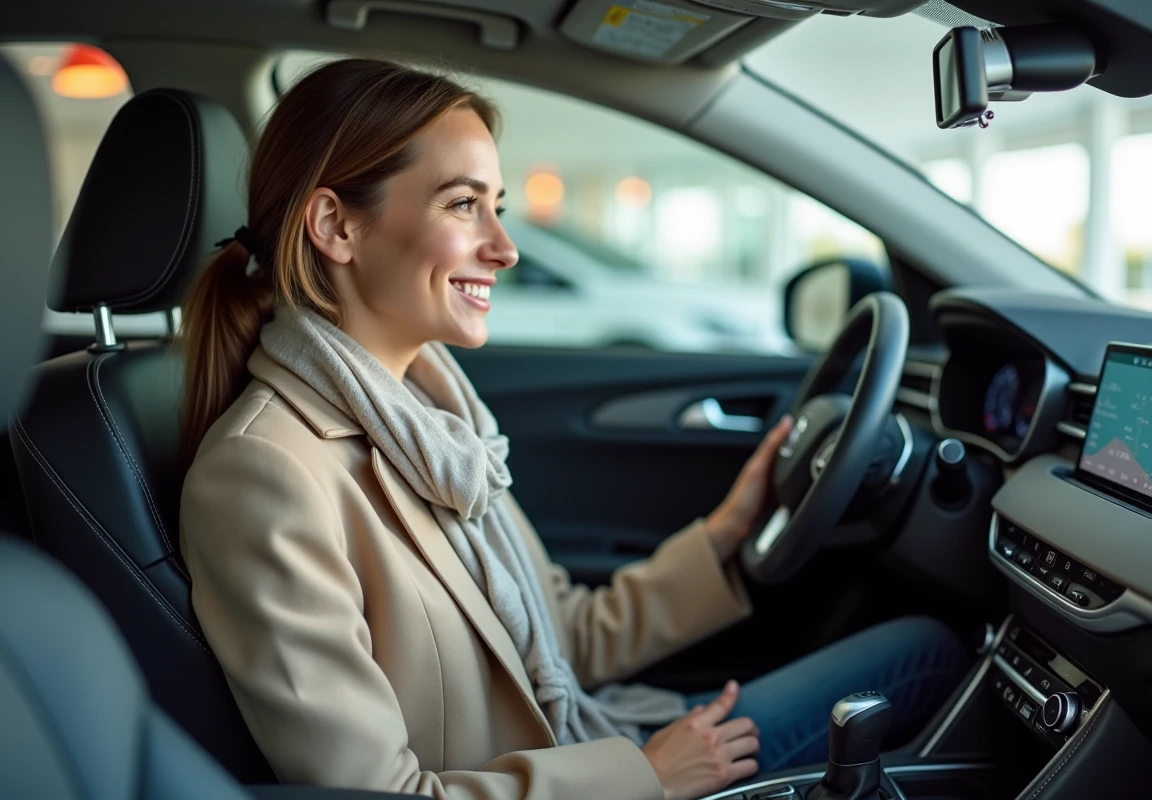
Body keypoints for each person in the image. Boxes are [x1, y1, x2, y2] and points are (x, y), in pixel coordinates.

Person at [178, 59, 967, 800]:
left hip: (593, 741)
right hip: (598, 779)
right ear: (335, 227)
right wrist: (643, 777)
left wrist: (727, 530)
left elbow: (563, 642)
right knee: (928, 655)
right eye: (462, 204)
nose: (506, 248)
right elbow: (375, 793)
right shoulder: (265, 472)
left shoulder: (439, 427)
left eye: (498, 208)